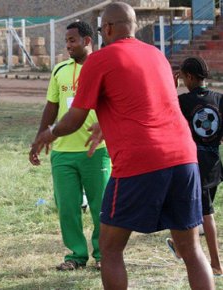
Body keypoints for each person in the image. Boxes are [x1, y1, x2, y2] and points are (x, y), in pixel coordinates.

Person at [32, 2, 215, 290]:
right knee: (191, 250)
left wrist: (49, 132)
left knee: (111, 248)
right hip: (184, 158)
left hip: (140, 161)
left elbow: (75, 118)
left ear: (106, 28)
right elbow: (149, 104)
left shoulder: (100, 60)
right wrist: (106, 125)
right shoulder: (157, 56)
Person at [29, 21, 110, 271]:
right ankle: (75, 255)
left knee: (100, 207)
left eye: (72, 41)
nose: (68, 46)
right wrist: (40, 136)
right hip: (62, 151)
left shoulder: (103, 69)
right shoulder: (59, 70)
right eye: (66, 41)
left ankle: (103, 255)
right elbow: (52, 106)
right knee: (67, 207)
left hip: (96, 150)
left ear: (87, 41)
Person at [166, 56, 223, 277]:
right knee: (195, 209)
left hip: (192, 163)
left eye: (182, 76)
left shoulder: (183, 102)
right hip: (214, 163)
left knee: (205, 214)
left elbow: (167, 115)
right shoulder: (219, 98)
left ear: (188, 77)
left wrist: (172, 90)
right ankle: (181, 248)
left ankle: (216, 264)